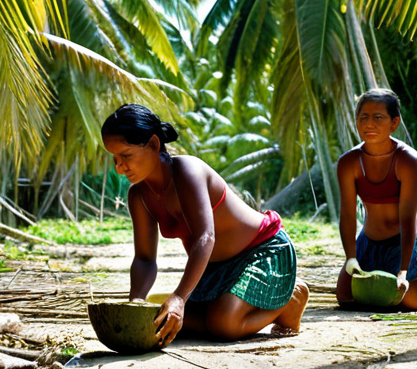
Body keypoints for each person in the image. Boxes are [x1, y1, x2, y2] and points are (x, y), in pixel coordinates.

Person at [101, 104, 309, 346]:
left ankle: (290, 298)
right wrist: (134, 305)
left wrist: (179, 297)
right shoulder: (139, 196)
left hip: (262, 250)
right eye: (114, 158)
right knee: (161, 320)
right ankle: (227, 308)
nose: (119, 167)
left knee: (224, 325)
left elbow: (205, 237)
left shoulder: (187, 171)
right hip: (213, 269)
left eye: (126, 156)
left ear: (154, 145)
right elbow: (145, 259)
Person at [336, 89, 417, 310]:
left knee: (412, 299)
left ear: (394, 122)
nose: (369, 124)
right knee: (346, 297)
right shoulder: (348, 162)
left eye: (378, 117)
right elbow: (348, 216)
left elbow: (408, 220)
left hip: (415, 239)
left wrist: (403, 271)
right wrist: (351, 259)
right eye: (364, 117)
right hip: (371, 242)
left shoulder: (407, 159)